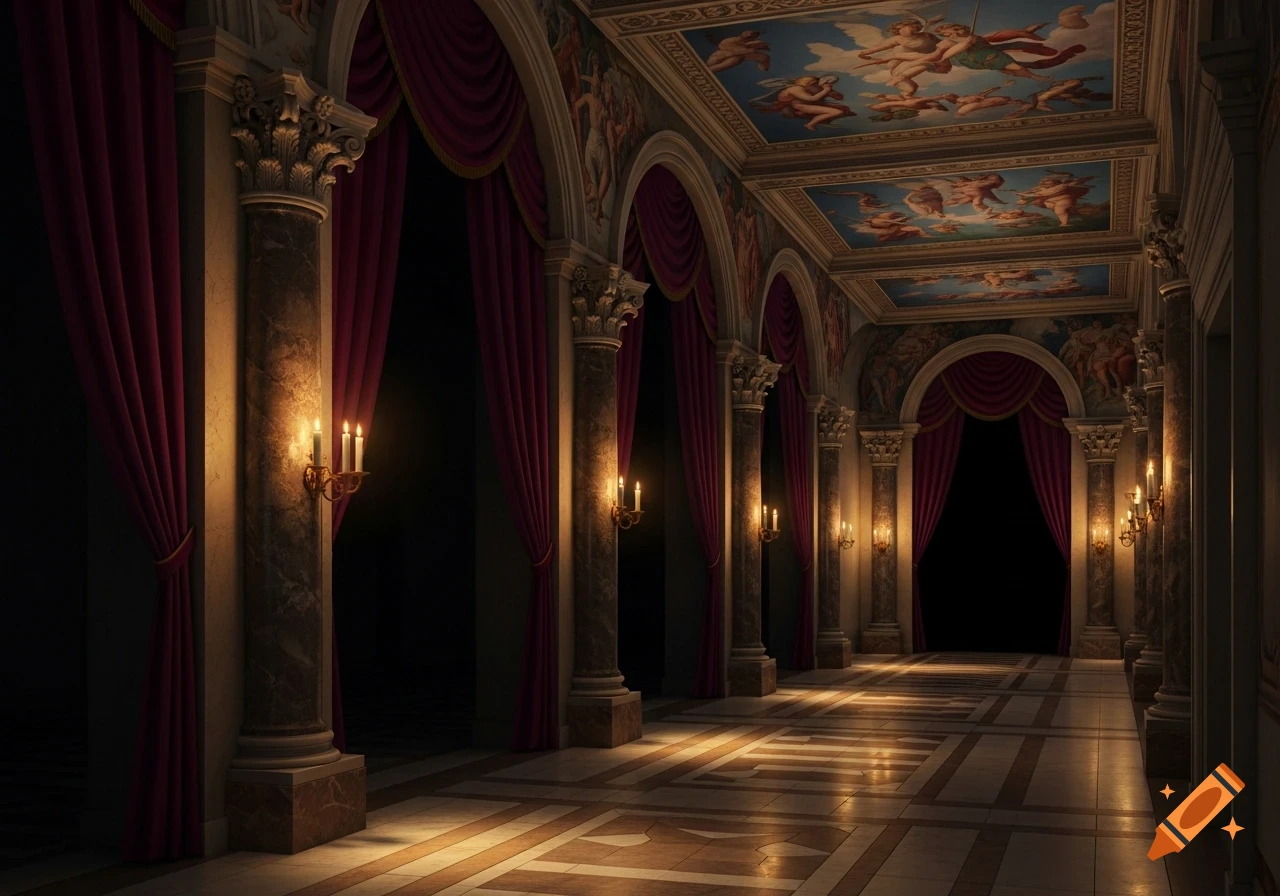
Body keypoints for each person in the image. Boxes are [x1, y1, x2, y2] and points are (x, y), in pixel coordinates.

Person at [706, 30, 772, 73]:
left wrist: (765, 65)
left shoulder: (749, 50)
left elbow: (764, 58)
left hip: (730, 57)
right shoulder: (728, 42)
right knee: (736, 58)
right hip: (717, 59)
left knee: (737, 58)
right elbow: (728, 50)